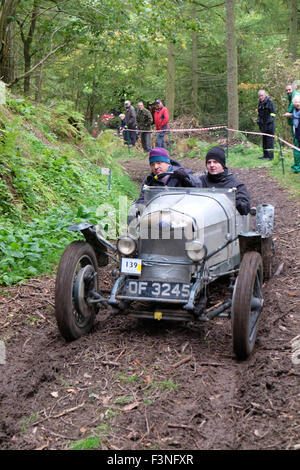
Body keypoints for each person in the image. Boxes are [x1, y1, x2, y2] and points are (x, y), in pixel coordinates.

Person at [133, 147, 198, 206]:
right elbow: (142, 199)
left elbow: (198, 185)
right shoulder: (149, 180)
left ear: (167, 163)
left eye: (159, 163)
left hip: (180, 213)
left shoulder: (181, 174)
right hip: (157, 214)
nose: (155, 167)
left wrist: (186, 177)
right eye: (152, 164)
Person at [197, 146, 251, 216]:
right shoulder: (200, 181)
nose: (212, 165)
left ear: (222, 164)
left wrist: (229, 199)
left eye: (215, 162)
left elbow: (245, 209)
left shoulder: (237, 185)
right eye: (209, 162)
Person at [257, 90, 276, 160]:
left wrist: (269, 120)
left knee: (269, 141)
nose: (261, 97)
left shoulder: (270, 102)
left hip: (270, 125)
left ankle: (270, 156)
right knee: (264, 140)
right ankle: (265, 155)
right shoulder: (260, 103)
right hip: (263, 125)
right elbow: (259, 113)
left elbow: (273, 112)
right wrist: (258, 120)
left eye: (262, 95)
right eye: (259, 96)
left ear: (265, 95)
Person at [285, 94, 300, 174]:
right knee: (297, 150)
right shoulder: (294, 110)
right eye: (296, 102)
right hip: (297, 133)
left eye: (299, 102)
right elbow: (295, 117)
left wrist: (290, 115)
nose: (298, 104)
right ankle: (297, 167)